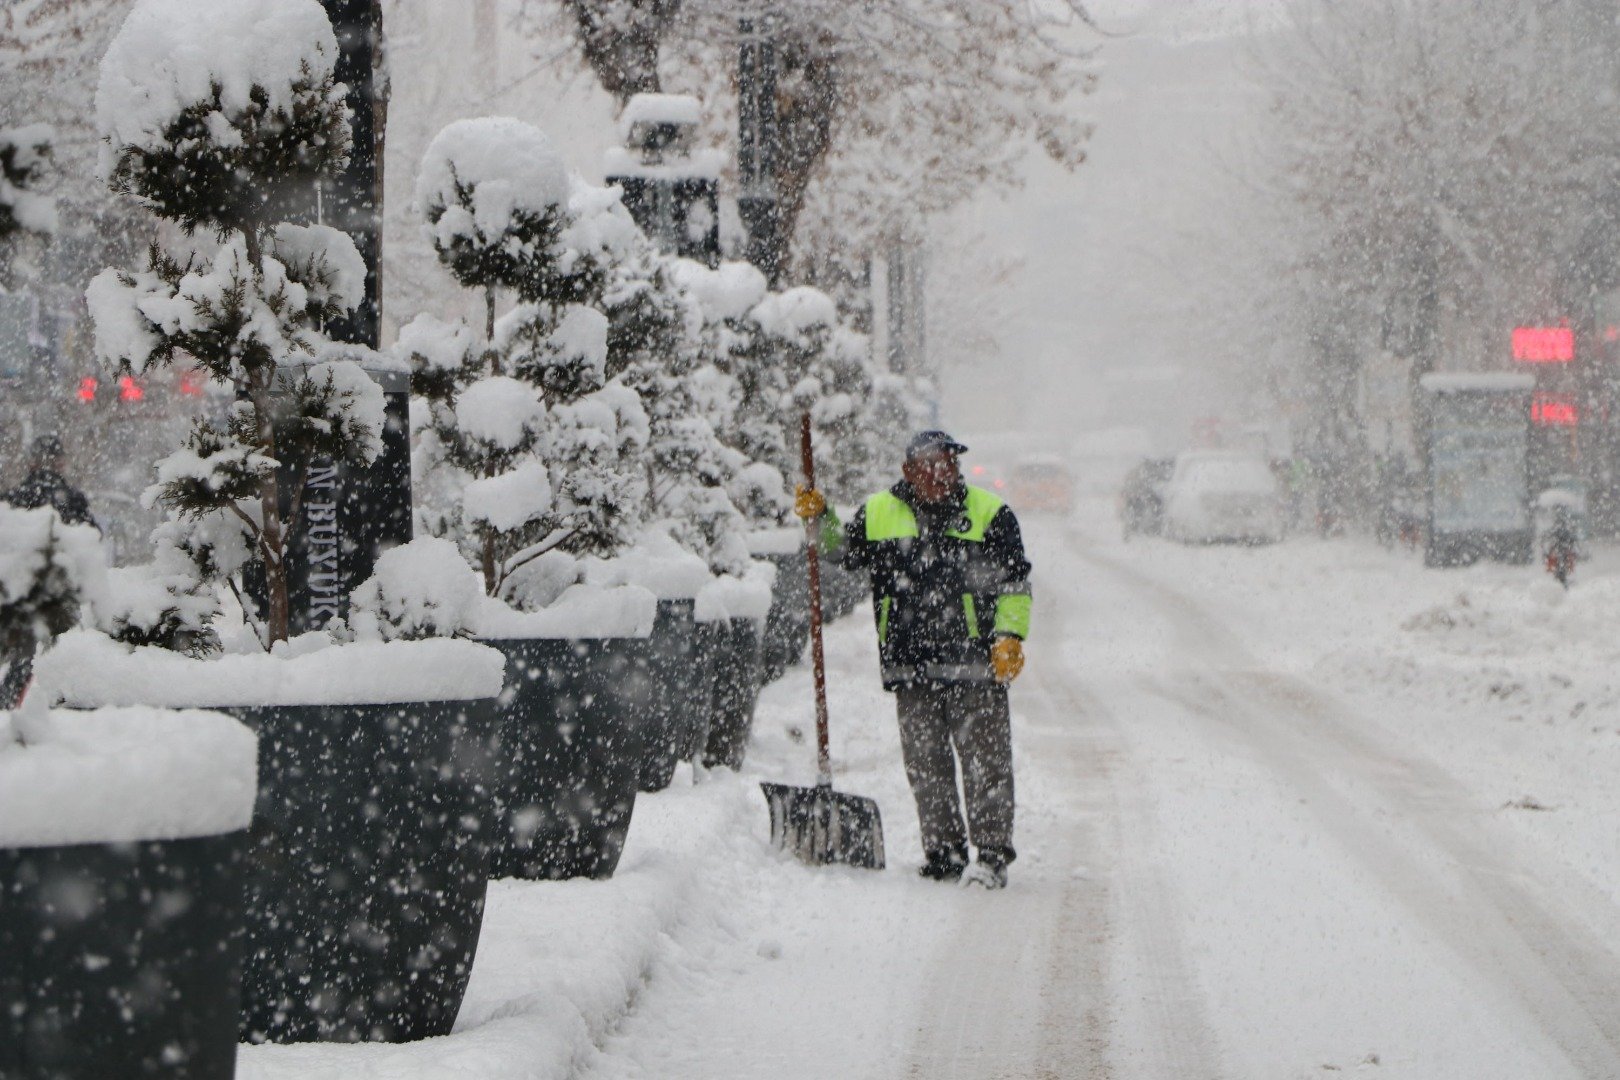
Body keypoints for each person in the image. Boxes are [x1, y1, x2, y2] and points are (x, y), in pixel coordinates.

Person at [796, 430, 1032, 889]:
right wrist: (819, 518)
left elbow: (1015, 583)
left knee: (987, 763)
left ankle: (991, 855)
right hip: (910, 664)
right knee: (927, 766)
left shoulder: (990, 514)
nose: (939, 475)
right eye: (928, 466)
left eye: (947, 465)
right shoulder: (880, 512)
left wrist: (1009, 635)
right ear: (908, 471)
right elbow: (841, 553)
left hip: (975, 664)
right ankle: (943, 853)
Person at [2, 433, 94, 528]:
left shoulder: (13, 498)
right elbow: (91, 535)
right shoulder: (74, 500)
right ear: (61, 464)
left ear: (31, 463)